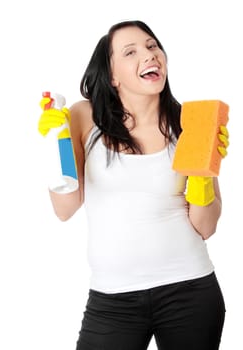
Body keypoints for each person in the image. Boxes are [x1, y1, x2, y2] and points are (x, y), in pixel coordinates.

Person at [38, 20, 229, 350]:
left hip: (190, 291)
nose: (149, 54)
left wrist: (203, 176)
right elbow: (65, 209)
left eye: (153, 46)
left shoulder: (190, 122)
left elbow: (206, 226)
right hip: (112, 301)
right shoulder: (85, 117)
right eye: (131, 51)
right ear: (113, 76)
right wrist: (57, 144)